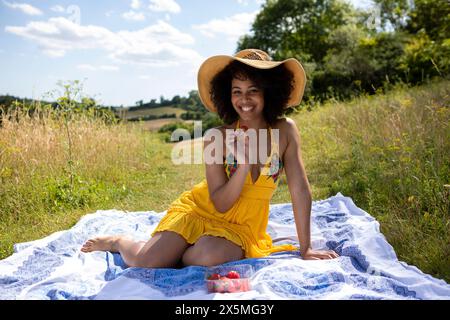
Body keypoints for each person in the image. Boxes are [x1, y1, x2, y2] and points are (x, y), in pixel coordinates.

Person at [81, 49, 339, 267]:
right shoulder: (217, 136)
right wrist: (244, 164)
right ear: (227, 94)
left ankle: (182, 251)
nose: (244, 100)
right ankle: (117, 242)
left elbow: (300, 190)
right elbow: (221, 204)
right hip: (202, 210)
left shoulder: (285, 130)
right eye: (236, 91)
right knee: (146, 262)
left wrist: (306, 248)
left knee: (209, 255)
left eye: (253, 90)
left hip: (244, 225)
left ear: (269, 92)